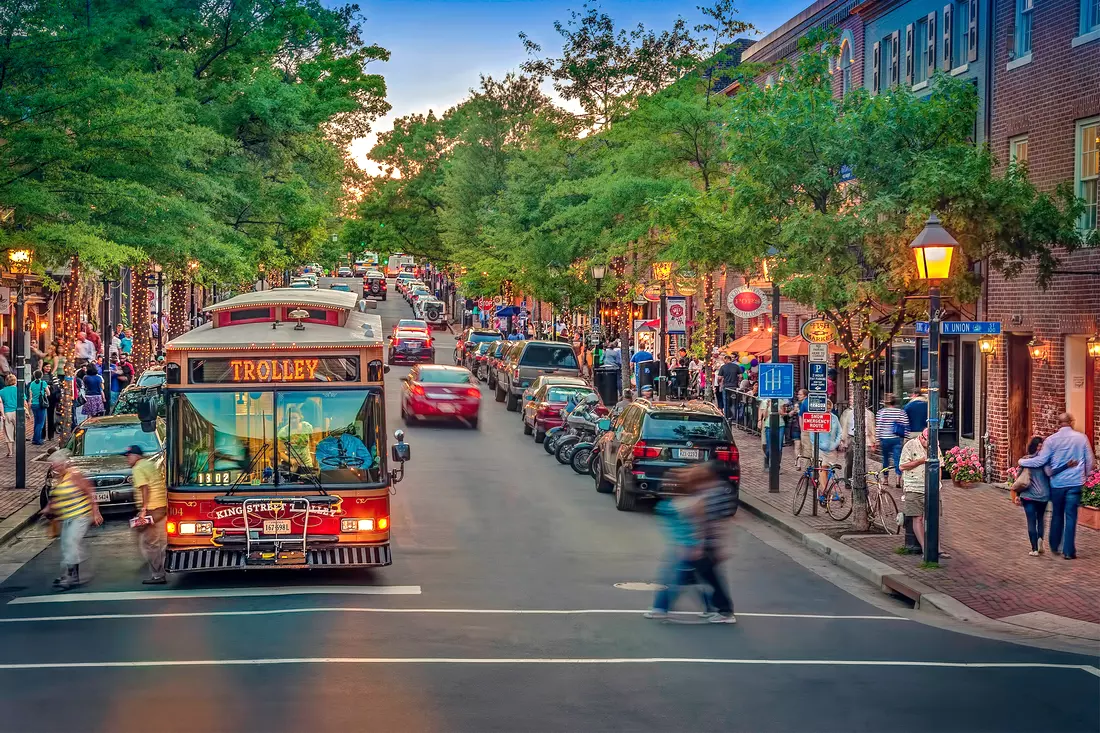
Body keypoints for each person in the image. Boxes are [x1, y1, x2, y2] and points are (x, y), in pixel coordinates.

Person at [1017, 413, 1095, 560]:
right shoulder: (1081, 438)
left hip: (1058, 484)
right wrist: (1085, 475)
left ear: (1058, 424)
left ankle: (1054, 544)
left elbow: (1040, 461)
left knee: (1057, 514)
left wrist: (1022, 462)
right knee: (1071, 516)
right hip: (1075, 483)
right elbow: (1089, 460)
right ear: (1071, 422)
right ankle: (1068, 551)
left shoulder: (1051, 441)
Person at [44, 449, 103, 590]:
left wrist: (96, 512)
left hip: (81, 516)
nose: (54, 468)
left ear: (63, 464)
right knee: (66, 545)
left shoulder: (75, 475)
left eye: (56, 465)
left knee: (71, 542)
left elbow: (90, 491)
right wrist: (49, 508)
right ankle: (71, 575)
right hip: (68, 517)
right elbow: (58, 496)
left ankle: (72, 576)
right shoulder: (60, 477)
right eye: (53, 466)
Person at [125, 444, 168, 584]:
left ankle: (158, 575)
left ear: (136, 456)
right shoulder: (149, 464)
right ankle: (162, 564)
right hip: (161, 506)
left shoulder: (137, 468)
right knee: (161, 540)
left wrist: (143, 510)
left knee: (150, 543)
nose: (127, 459)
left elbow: (145, 488)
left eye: (129, 456)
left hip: (151, 509)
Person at [1011, 436, 1052, 557]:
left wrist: (1017, 494)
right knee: (1040, 518)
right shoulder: (1045, 462)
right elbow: (1050, 474)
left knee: (1031, 521)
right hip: (1043, 495)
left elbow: (1020, 479)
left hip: (1028, 495)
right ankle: (1040, 539)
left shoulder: (1026, 460)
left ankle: (1034, 549)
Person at [899, 429, 935, 552]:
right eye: (927, 441)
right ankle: (925, 548)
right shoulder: (910, 445)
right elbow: (902, 466)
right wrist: (920, 461)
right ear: (922, 437)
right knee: (917, 517)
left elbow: (939, 465)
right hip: (914, 486)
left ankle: (937, 548)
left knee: (933, 518)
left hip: (931, 487)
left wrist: (938, 484)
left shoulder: (935, 446)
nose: (929, 444)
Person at [874, 394, 909, 488]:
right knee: (897, 459)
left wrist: (877, 440)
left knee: (885, 459)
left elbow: (879, 427)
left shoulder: (881, 412)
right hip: (897, 439)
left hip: (885, 439)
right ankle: (898, 480)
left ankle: (886, 479)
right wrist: (906, 437)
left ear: (886, 402)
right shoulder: (901, 412)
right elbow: (906, 425)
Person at [839, 401, 876, 480]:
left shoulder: (869, 414)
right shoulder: (848, 413)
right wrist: (843, 441)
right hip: (851, 438)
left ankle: (863, 481)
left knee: (863, 462)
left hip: (865, 438)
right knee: (849, 462)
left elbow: (872, 428)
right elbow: (844, 427)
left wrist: (873, 442)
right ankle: (848, 480)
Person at [27, 369, 50, 445]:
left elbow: (30, 395)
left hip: (34, 404)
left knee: (36, 422)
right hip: (41, 404)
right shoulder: (43, 383)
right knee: (41, 423)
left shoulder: (32, 384)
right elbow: (48, 393)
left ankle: (34, 438)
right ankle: (37, 439)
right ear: (41, 375)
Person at [41, 361, 61, 441]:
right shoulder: (40, 376)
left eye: (49, 367)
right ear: (43, 367)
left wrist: (49, 387)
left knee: (51, 417)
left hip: (51, 398)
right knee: (43, 417)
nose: (48, 368)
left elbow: (56, 386)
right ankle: (43, 435)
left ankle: (50, 435)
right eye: (46, 367)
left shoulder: (53, 376)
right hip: (42, 398)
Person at [0, 373, 17, 457]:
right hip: (17, 412)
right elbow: (24, 402)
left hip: (7, 412)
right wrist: (27, 412)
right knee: (20, 432)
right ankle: (20, 449)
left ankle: (10, 452)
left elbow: (0, 403)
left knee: (8, 433)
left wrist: (2, 413)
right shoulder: (18, 390)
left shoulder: (1, 391)